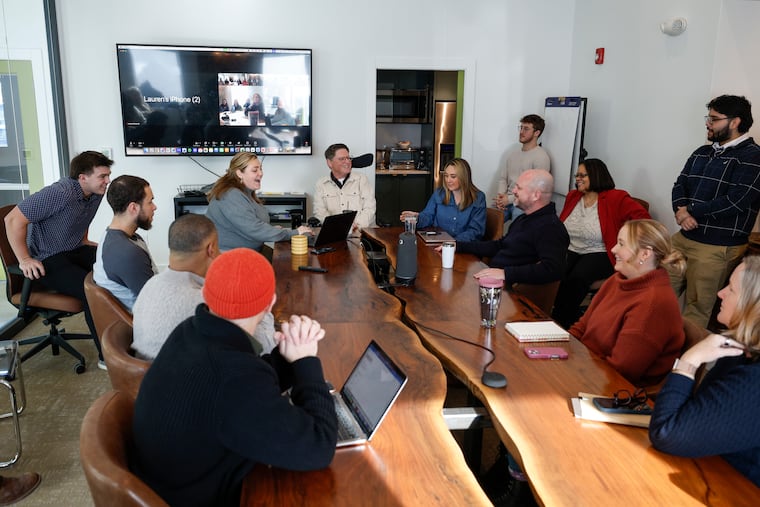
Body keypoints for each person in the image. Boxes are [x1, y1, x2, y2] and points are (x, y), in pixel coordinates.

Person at [131, 248, 337, 506]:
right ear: (270, 303)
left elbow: (246, 385)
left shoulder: (190, 331)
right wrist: (307, 362)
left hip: (170, 482)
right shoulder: (233, 377)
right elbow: (319, 448)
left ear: (206, 294)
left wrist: (287, 358)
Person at [649, 255, 760, 487]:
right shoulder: (739, 351)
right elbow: (695, 413)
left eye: (731, 289)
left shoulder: (753, 380)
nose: (721, 293)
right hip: (710, 469)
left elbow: (666, 433)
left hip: (735, 492)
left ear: (752, 307)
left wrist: (690, 360)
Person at [4, 150, 112, 367]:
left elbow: (82, 216)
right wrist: (24, 259)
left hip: (72, 249)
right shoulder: (59, 192)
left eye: (108, 175)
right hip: (47, 259)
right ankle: (107, 357)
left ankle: (126, 338)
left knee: (115, 266)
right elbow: (12, 219)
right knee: (92, 290)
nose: (107, 181)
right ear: (83, 178)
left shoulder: (96, 192)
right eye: (102, 176)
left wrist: (84, 239)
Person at [132, 214, 277, 360]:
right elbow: (265, 346)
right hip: (191, 379)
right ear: (211, 249)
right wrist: (264, 304)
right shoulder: (206, 303)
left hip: (145, 375)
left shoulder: (150, 285)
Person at [670, 95, 760, 328]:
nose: (708, 123)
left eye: (714, 119)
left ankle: (685, 364)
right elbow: (680, 184)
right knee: (656, 295)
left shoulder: (753, 157)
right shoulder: (702, 151)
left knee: (697, 312)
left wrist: (689, 211)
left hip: (717, 246)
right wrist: (680, 211)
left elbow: (735, 201)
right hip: (683, 237)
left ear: (735, 122)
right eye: (708, 118)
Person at [569, 219, 685, 387]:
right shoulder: (617, 280)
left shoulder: (653, 304)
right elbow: (581, 327)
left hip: (609, 387)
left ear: (645, 254)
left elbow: (621, 372)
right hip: (587, 369)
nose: (613, 249)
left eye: (621, 244)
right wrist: (561, 351)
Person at [552, 158, 651, 328]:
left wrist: (625, 240)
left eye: (583, 175)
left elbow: (644, 220)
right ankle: (557, 315)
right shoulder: (573, 196)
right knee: (554, 269)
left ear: (596, 175)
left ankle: (561, 322)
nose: (578, 179)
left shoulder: (615, 197)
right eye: (577, 175)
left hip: (600, 251)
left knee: (577, 278)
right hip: (571, 248)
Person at [456, 169, 568, 285]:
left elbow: (554, 270)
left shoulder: (551, 228)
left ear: (536, 195)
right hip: (493, 280)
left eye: (519, 188)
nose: (513, 191)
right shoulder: (523, 219)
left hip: (509, 292)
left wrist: (506, 273)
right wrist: (458, 246)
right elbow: (500, 246)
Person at [206, 152, 312, 253]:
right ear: (239, 173)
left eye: (260, 169)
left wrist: (272, 230)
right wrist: (295, 233)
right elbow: (255, 229)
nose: (261, 173)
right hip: (231, 257)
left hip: (248, 252)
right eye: (255, 170)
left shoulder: (245, 193)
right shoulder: (230, 195)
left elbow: (251, 225)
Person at [93, 175, 158, 311]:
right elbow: (155, 302)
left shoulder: (114, 236)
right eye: (150, 202)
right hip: (148, 321)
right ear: (133, 208)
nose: (154, 207)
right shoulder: (127, 252)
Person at [400, 158, 486, 242]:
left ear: (464, 177)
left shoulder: (478, 198)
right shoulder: (439, 194)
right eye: (446, 176)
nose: (448, 180)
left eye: (453, 177)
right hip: (438, 244)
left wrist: (452, 243)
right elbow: (428, 216)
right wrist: (416, 218)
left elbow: (475, 232)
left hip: (463, 248)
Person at [494, 114, 551, 221]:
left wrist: (509, 199)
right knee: (487, 218)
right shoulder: (513, 154)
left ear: (537, 133)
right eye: (521, 128)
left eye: (526, 129)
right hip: (507, 200)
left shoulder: (541, 157)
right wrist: (500, 198)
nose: (521, 132)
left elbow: (535, 190)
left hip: (526, 203)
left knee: (518, 221)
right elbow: (503, 179)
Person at [313, 143, 376, 234]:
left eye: (348, 158)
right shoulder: (321, 184)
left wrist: (355, 225)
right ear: (329, 163)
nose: (347, 161)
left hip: (362, 234)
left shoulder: (362, 180)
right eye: (342, 159)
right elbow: (320, 212)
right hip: (334, 234)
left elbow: (369, 209)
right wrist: (337, 226)